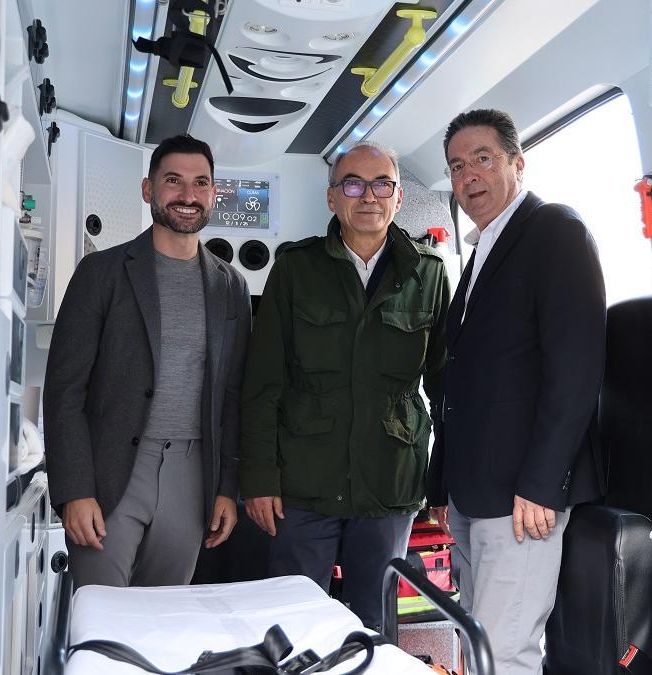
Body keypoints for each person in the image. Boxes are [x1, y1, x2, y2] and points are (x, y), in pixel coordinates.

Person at [240, 141, 450, 629]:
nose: (369, 196)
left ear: (399, 199)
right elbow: (262, 384)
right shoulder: (296, 268)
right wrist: (259, 478)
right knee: (293, 626)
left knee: (373, 626)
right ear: (333, 198)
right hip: (303, 483)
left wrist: (443, 481)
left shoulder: (429, 273)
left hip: (390, 481)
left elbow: (444, 388)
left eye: (382, 184)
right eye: (353, 184)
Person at [427, 109, 606, 674]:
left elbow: (575, 368)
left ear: (516, 162)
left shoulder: (554, 229)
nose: (468, 176)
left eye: (482, 158)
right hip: (471, 491)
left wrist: (542, 483)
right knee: (474, 642)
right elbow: (460, 383)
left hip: (521, 498)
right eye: (456, 167)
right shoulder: (479, 253)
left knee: (505, 653)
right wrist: (441, 483)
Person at [44, 134, 251, 588]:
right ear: (148, 190)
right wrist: (75, 489)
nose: (188, 196)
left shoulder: (230, 287)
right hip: (111, 472)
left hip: (193, 476)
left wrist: (226, 490)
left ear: (214, 193)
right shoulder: (101, 273)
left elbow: (233, 397)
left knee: (165, 624)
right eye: (173, 181)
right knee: (102, 623)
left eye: (201, 183)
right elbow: (65, 389)